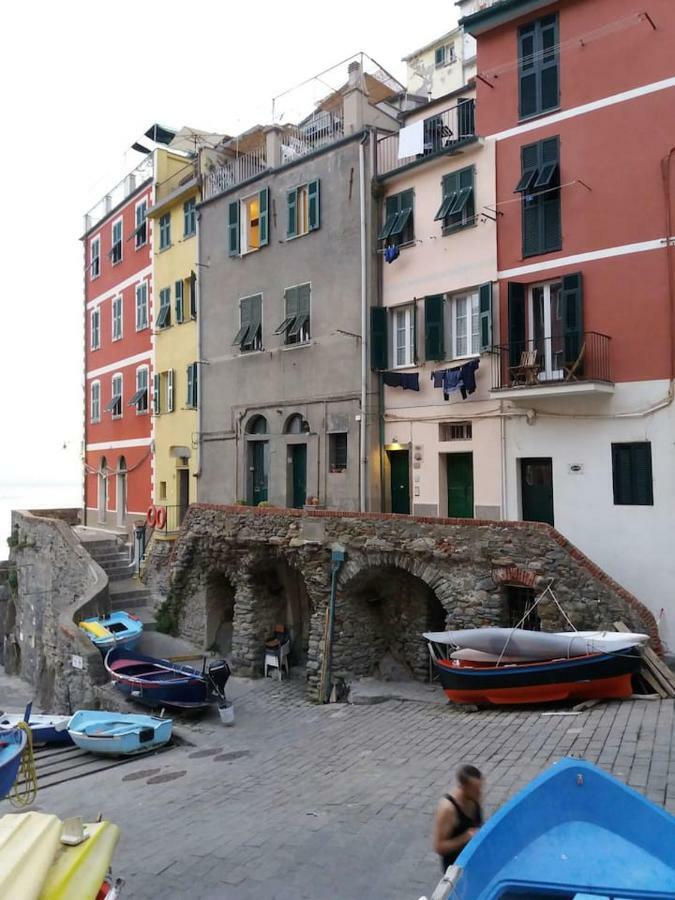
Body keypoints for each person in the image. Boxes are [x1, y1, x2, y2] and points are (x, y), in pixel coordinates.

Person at [432, 764, 483, 873]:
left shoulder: (474, 796)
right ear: (463, 787)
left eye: (480, 788)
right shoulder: (448, 809)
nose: (480, 793)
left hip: (473, 861)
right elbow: (439, 846)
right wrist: (464, 838)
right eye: (475, 790)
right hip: (456, 868)